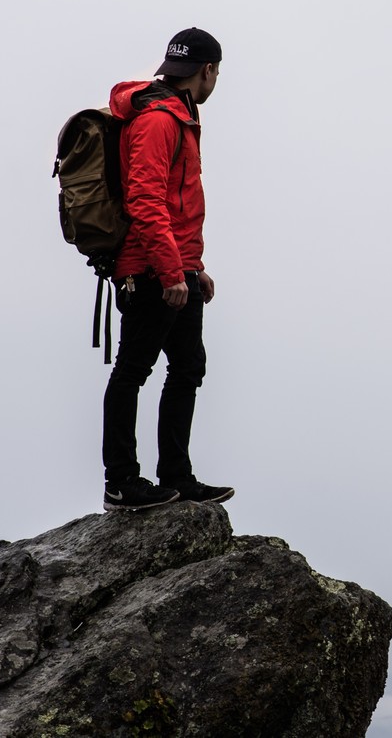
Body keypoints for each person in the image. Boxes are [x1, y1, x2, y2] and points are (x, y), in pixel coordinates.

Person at [100, 27, 235, 512]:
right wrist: (171, 271)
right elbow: (145, 200)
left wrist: (193, 268)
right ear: (208, 70)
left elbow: (176, 205)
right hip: (150, 269)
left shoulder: (180, 115)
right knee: (133, 370)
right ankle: (121, 482)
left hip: (177, 266)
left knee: (188, 368)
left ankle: (175, 477)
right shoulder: (159, 120)